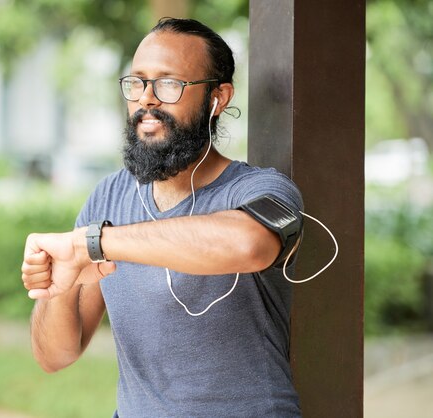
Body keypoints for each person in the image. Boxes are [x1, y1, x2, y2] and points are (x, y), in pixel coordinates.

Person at [21, 17, 303, 417]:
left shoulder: (261, 190)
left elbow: (250, 244)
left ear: (217, 98)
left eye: (169, 84)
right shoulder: (109, 197)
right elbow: (54, 357)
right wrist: (59, 285)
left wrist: (93, 244)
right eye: (137, 83)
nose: (146, 99)